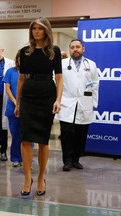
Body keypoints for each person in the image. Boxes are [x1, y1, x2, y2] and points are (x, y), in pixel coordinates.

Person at [14, 17, 63, 197]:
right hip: (28, 96)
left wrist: (58, 99)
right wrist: (18, 102)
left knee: (43, 140)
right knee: (25, 138)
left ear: (46, 31)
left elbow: (59, 77)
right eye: (34, 28)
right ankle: (28, 178)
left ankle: (41, 177)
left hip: (47, 96)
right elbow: (21, 78)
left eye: (40, 29)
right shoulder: (24, 51)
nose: (36, 31)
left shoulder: (54, 51)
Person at [55, 39, 99, 172]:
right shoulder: (62, 64)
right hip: (67, 102)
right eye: (72, 47)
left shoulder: (91, 64)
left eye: (78, 47)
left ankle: (76, 160)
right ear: (69, 50)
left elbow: (95, 84)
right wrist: (57, 99)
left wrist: (93, 103)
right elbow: (56, 82)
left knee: (81, 134)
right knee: (67, 134)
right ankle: (67, 161)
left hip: (84, 102)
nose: (75, 49)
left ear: (83, 49)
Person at [2, 50, 22, 167]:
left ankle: (26, 157)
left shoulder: (30, 72)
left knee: (27, 135)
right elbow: (7, 89)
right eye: (20, 58)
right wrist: (16, 102)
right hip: (13, 108)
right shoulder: (10, 71)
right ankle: (16, 158)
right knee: (16, 134)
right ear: (17, 59)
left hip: (28, 108)